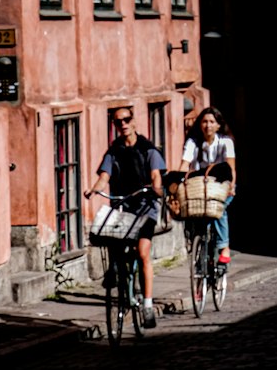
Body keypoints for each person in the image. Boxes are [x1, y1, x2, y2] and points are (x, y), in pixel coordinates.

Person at [85, 108, 166, 328]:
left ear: (134, 120)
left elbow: (156, 175)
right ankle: (116, 271)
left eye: (126, 119)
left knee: (142, 252)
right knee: (108, 234)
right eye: (118, 121)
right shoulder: (114, 151)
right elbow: (104, 176)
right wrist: (94, 190)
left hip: (145, 207)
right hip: (123, 207)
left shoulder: (148, 150)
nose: (123, 124)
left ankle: (148, 305)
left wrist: (156, 188)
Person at [180, 108, 237, 264]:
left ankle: (224, 246)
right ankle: (199, 244)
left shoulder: (226, 142)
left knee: (220, 210)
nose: (208, 125)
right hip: (200, 184)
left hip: (222, 183)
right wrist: (179, 181)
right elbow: (185, 165)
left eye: (212, 122)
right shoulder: (193, 142)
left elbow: (231, 167)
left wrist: (231, 187)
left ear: (218, 125)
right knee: (195, 210)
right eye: (204, 121)